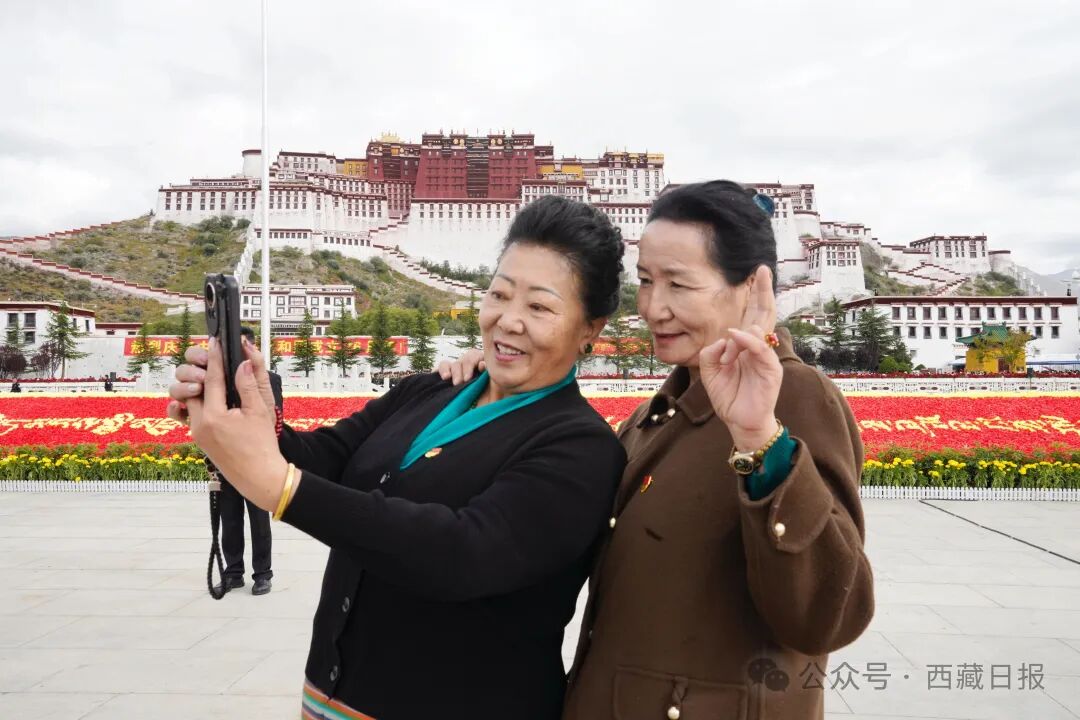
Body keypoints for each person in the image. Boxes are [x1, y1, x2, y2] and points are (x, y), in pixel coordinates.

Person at [166, 195, 627, 720]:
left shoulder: (580, 447)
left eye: (539, 307)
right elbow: (332, 455)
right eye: (499, 294)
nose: (508, 320)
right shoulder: (430, 390)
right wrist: (246, 413)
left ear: (590, 328)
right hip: (332, 699)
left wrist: (283, 488)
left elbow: (461, 554)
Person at [444, 181, 874, 720]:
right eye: (646, 281)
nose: (653, 307)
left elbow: (828, 618)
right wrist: (494, 386)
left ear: (752, 286)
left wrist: (761, 439)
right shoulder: (657, 415)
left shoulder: (791, 397)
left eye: (679, 284)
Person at [208, 325, 282, 596]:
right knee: (229, 520)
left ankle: (263, 574)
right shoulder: (216, 383)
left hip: (256, 462)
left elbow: (276, 420)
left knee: (259, 521)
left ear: (251, 348)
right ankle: (233, 573)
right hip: (226, 462)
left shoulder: (270, 379)